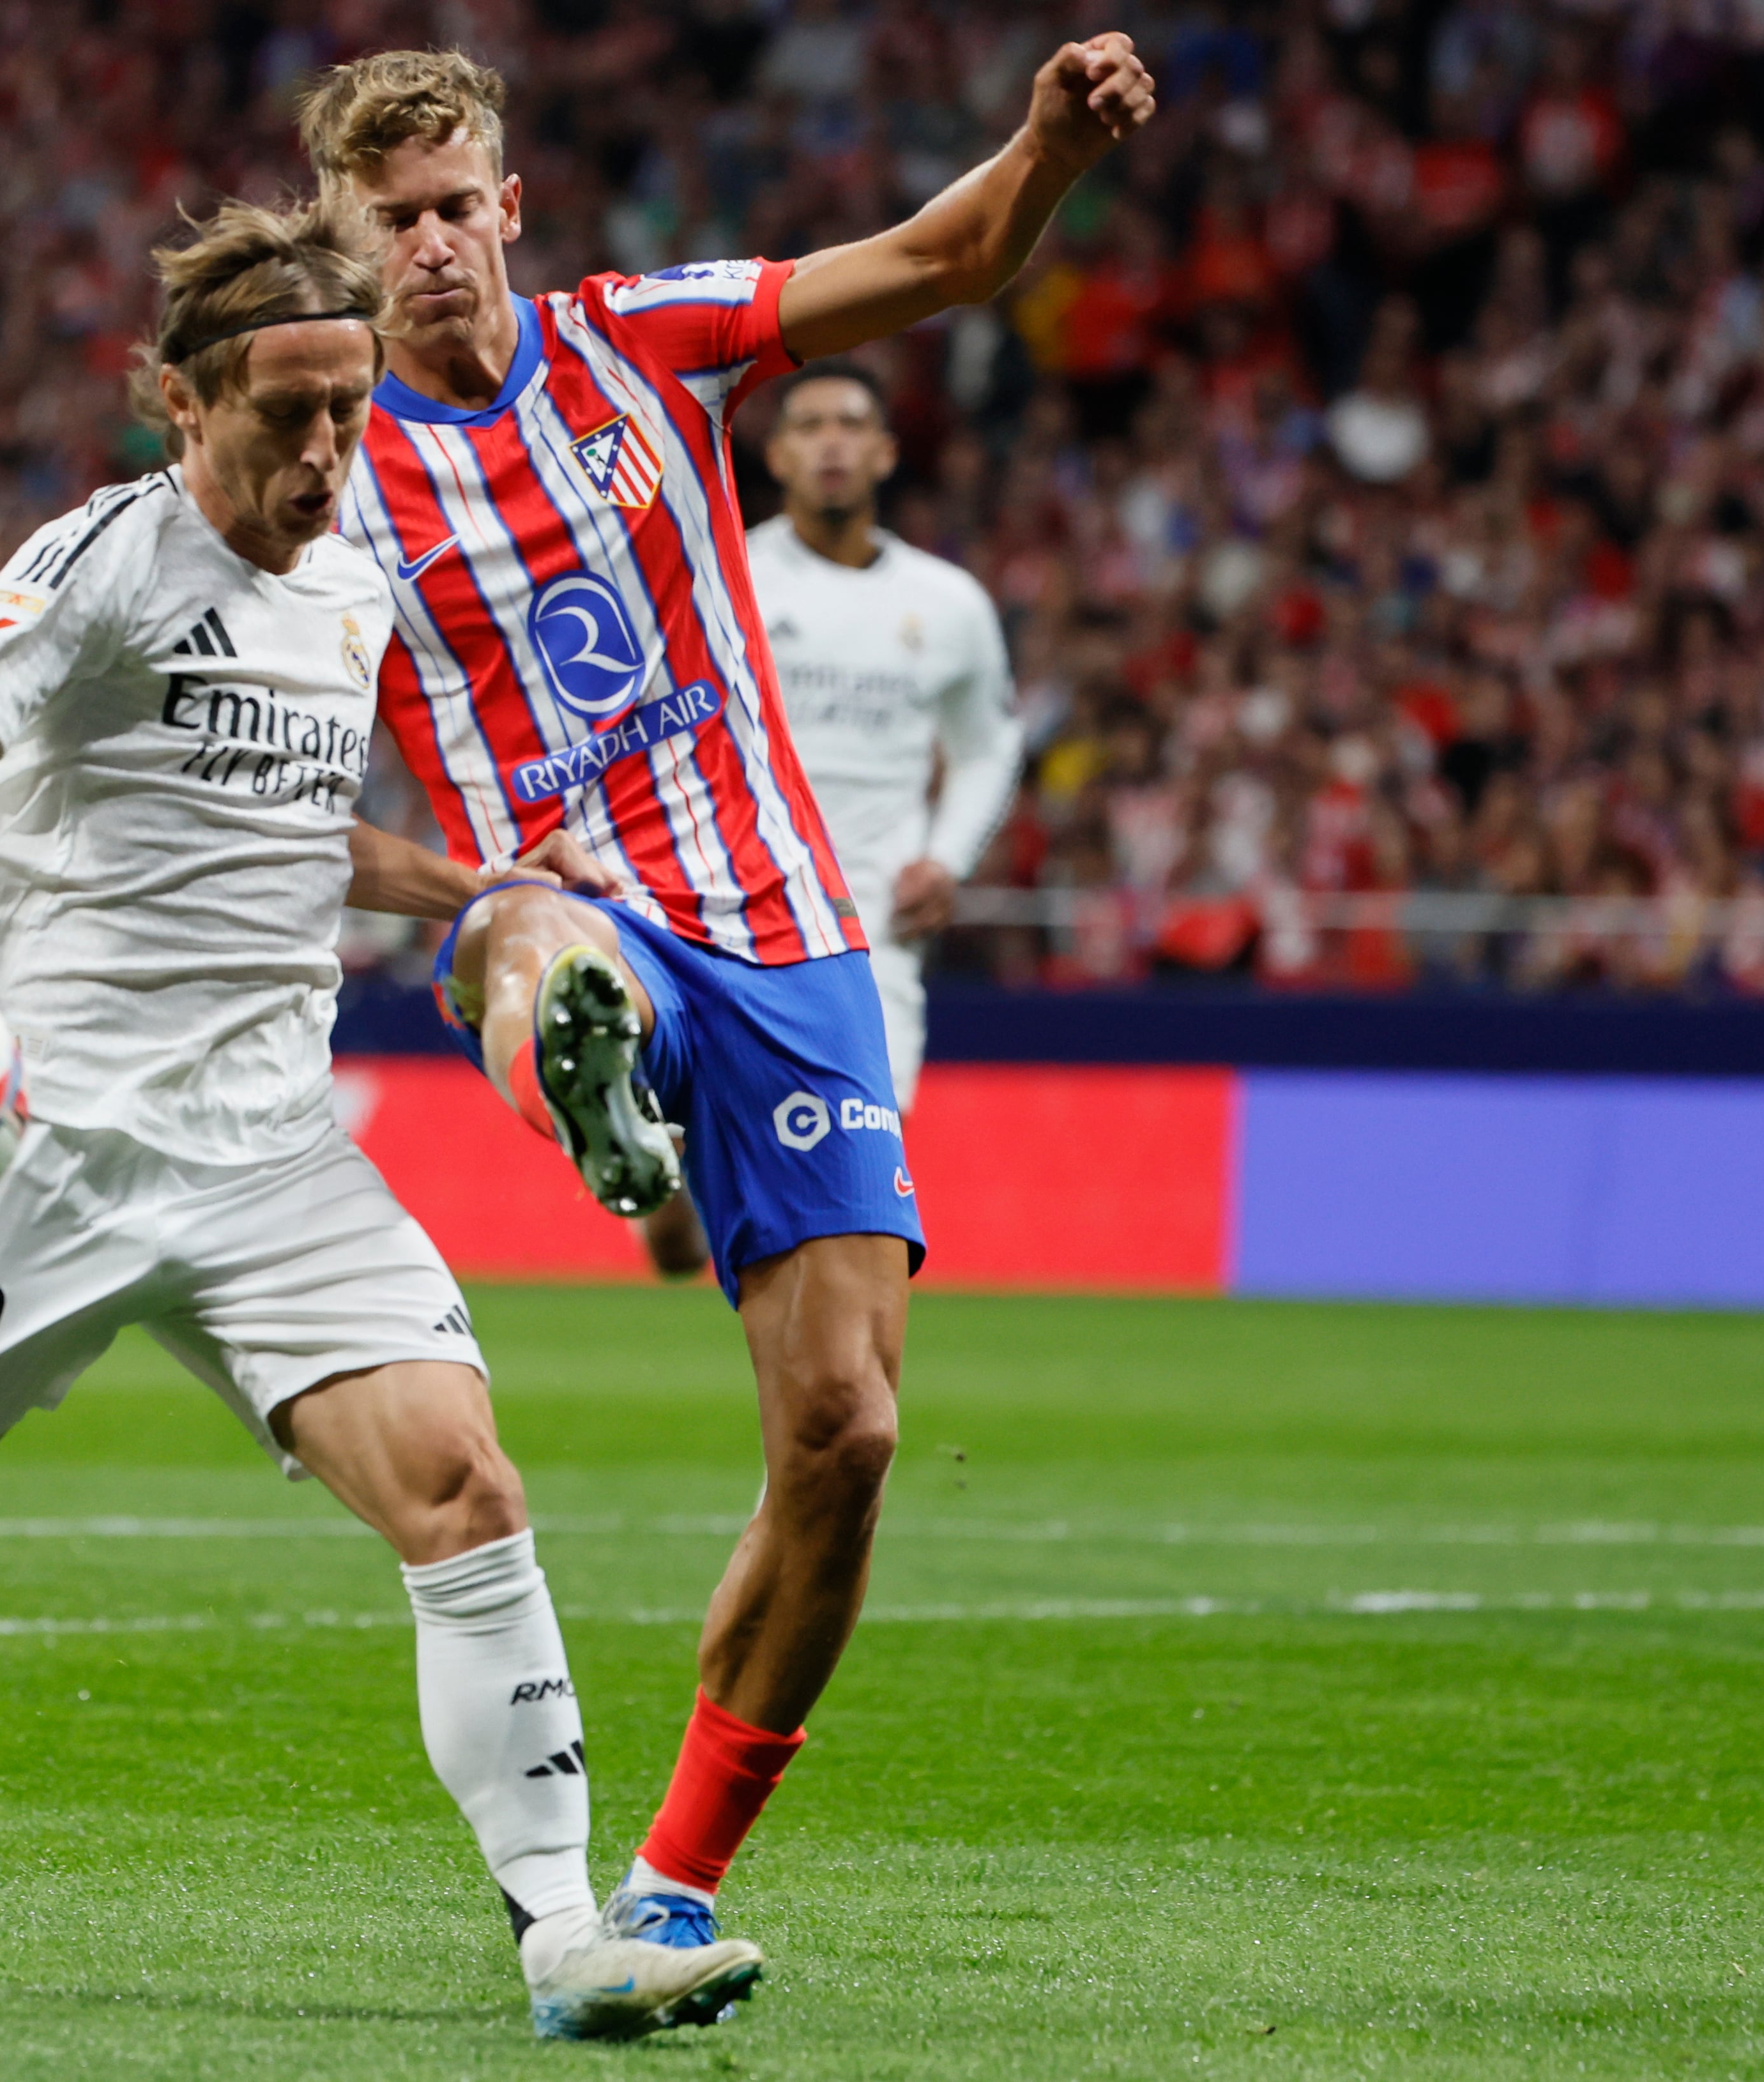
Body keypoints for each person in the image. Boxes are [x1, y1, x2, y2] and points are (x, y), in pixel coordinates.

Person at [0, 199, 761, 2044]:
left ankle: (567, 1937)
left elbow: (281, 823)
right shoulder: (101, 561)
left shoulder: (348, 586)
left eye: (349, 413)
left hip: (272, 1149)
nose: (328, 456)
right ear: (183, 407)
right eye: (288, 418)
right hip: (41, 1154)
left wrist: (469, 877)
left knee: (464, 1487)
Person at [303, 38, 1152, 1962]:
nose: (432, 245)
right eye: (393, 222)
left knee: (844, 1435)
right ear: (352, 244)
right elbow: (219, 727)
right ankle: (584, 1079)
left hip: (784, 925)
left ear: (508, 207)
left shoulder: (647, 341)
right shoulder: (327, 476)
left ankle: (671, 1884)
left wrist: (1045, 148)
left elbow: (940, 264)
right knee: (538, 936)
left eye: (456, 207)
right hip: (553, 896)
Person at [636, 365, 1024, 1275]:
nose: (832, 443)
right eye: (808, 426)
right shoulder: (721, 574)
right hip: (729, 906)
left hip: (871, 925)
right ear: (775, 455)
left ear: (887, 452)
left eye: (852, 424)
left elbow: (986, 749)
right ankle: (681, 1183)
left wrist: (947, 857)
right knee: (699, 1232)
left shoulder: (949, 604)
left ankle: (833, 1378)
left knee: (855, 1173)